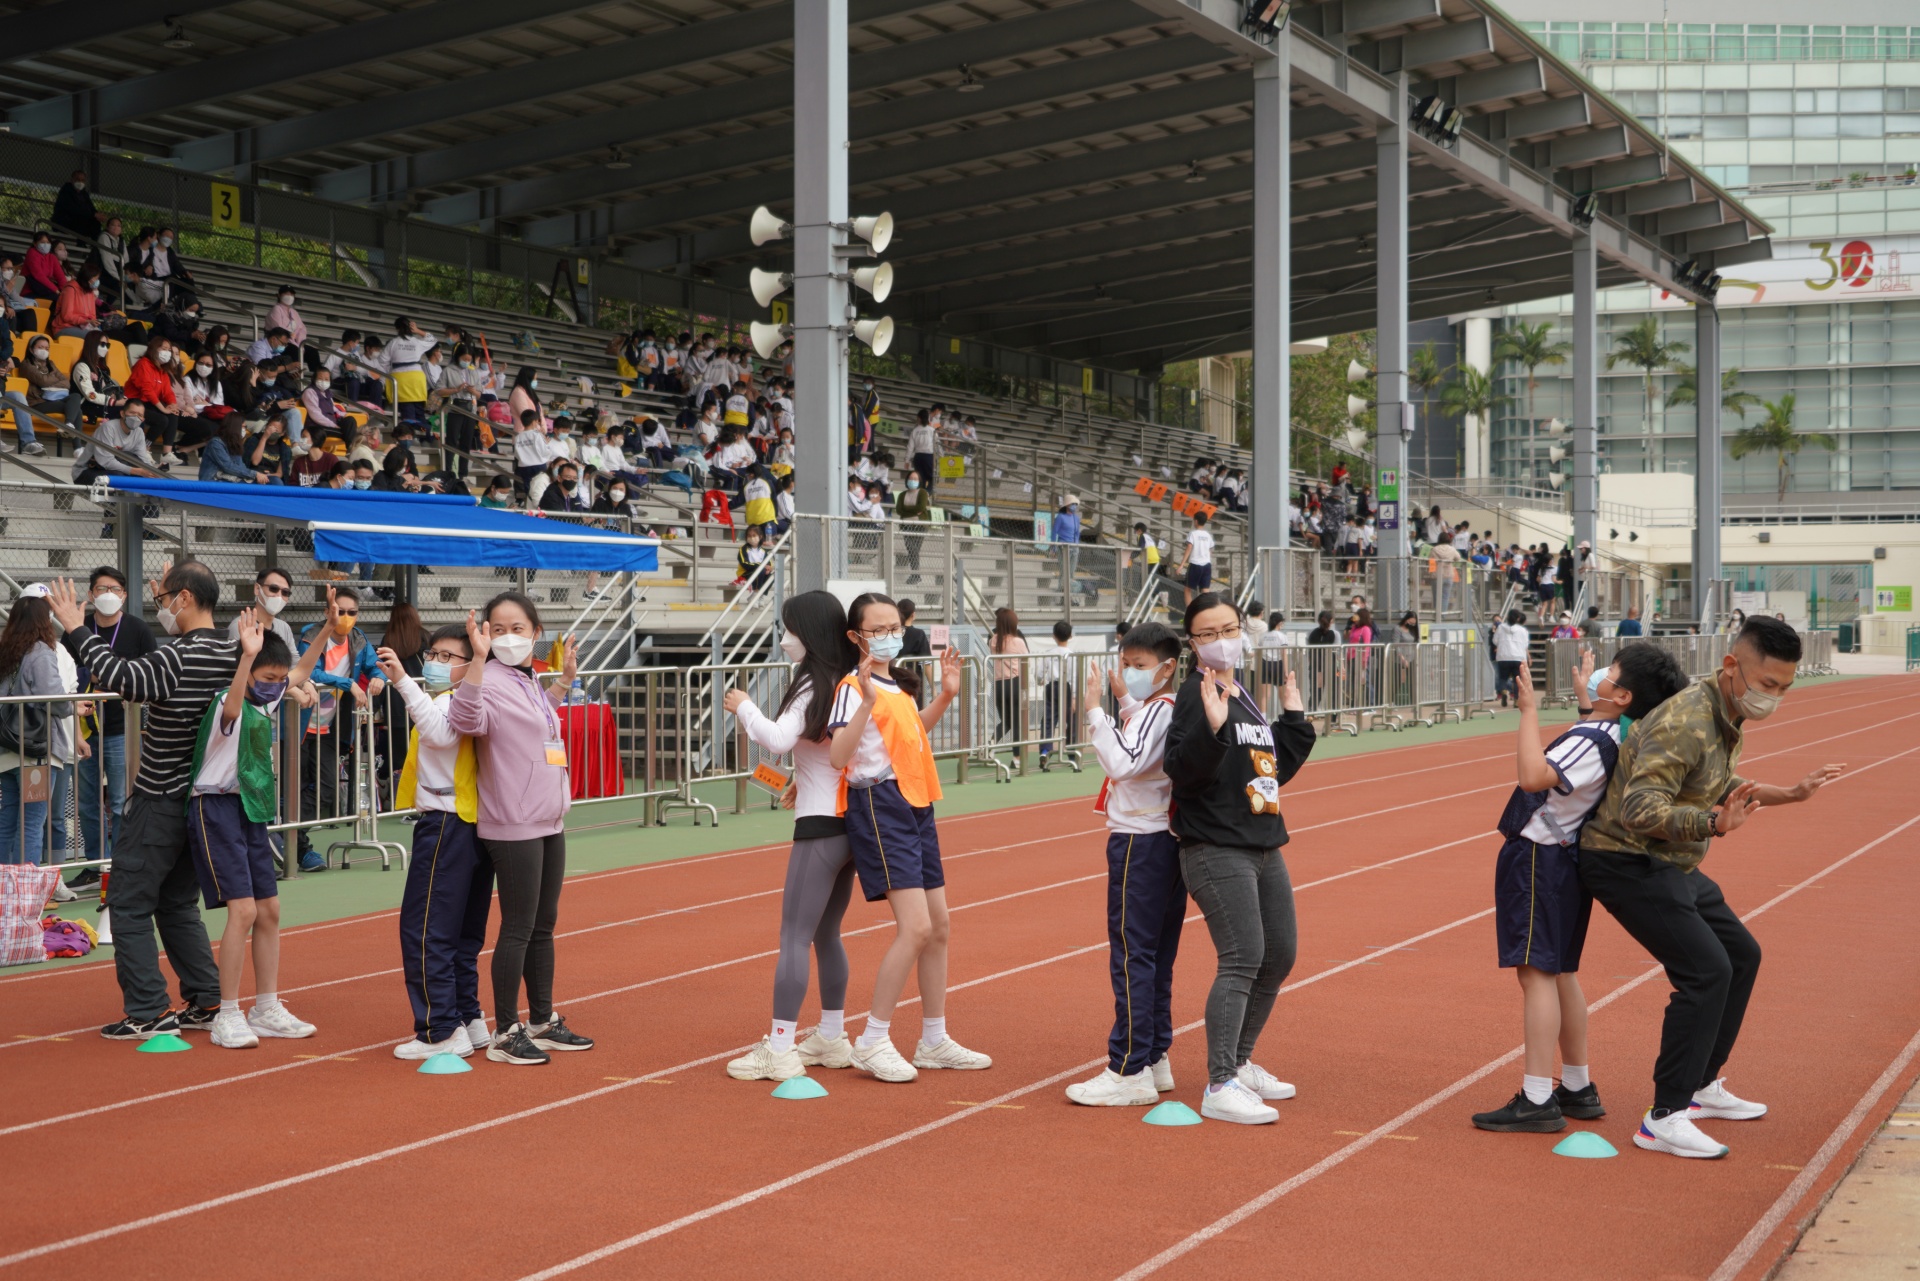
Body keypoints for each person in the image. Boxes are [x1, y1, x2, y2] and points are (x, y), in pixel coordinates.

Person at [1580, 616, 1844, 1159]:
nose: (1773, 698)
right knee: (1706, 972)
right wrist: (1710, 824)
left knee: (1741, 956)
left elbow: (1719, 785)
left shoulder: (1725, 714)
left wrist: (1792, 793)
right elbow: (1638, 810)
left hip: (1671, 861)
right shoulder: (1687, 720)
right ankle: (1663, 1118)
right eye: (1767, 684)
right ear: (1731, 667)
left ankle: (1701, 1085)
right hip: (1626, 859)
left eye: (1784, 688)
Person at [1469, 644, 1688, 1133]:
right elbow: (1594, 735)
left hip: (1538, 857)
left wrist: (1528, 711)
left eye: (1610, 673)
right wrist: (1587, 703)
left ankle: (1536, 1097)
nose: (1600, 675)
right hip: (1564, 857)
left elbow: (1533, 777)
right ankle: (1576, 1085)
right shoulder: (1617, 732)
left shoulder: (1591, 739)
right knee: (1561, 972)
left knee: (1536, 975)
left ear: (1623, 695)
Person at [47, 564, 235, 1039]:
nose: (161, 607)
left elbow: (121, 676)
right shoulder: (233, 651)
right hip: (201, 801)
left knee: (128, 904)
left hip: (159, 798)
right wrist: (169, 596)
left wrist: (74, 627)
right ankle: (207, 997)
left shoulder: (177, 657)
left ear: (186, 598)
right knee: (176, 903)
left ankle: (149, 1009)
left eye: (164, 599)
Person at [1162, 593, 1314, 1124]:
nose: (1222, 640)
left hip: (1263, 841)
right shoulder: (1195, 693)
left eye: (1229, 629)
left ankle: (1241, 1061)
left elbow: (1266, 771)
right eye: (1208, 633)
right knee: (1243, 956)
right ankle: (1220, 1082)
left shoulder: (1241, 692)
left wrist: (1292, 720)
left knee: (1280, 954)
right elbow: (1182, 771)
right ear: (1193, 643)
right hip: (1216, 846)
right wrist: (1210, 728)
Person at [830, 592, 981, 1081]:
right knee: (915, 928)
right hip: (880, 803)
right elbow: (838, 757)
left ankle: (933, 1039)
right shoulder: (852, 688)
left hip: (916, 802)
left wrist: (946, 696)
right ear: (856, 636)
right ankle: (872, 1039)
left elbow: (913, 734)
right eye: (877, 630)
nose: (889, 636)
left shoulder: (897, 685)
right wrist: (864, 702)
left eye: (894, 627)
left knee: (939, 927)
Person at [449, 591, 594, 1066]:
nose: (508, 637)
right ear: (485, 634)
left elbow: (537, 725)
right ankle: (505, 1030)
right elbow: (466, 719)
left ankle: (542, 1020)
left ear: (536, 634)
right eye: (498, 629)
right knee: (518, 926)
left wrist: (563, 683)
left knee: (543, 924)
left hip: (548, 816)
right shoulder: (488, 678)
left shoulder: (527, 678)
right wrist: (476, 660)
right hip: (512, 820)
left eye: (517, 629)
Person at [721, 592, 862, 1080]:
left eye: (791, 630)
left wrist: (744, 707)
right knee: (826, 933)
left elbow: (778, 739)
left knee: (795, 936)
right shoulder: (848, 681)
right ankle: (832, 1035)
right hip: (848, 823)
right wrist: (804, 777)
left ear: (812, 634)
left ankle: (780, 1048)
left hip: (820, 827)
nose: (784, 640)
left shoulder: (813, 682)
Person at [1066, 621, 1186, 1106]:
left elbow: (1124, 762)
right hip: (1163, 840)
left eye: (1140, 665)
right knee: (1155, 955)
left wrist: (1095, 710)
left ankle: (1129, 1067)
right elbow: (1143, 743)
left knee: (1134, 954)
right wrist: (1123, 702)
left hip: (1140, 841)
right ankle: (1154, 1056)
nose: (1130, 672)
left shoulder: (1160, 709)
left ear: (1167, 667)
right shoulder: (1163, 708)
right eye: (1126, 663)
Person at [190, 614, 324, 1048]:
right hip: (216, 806)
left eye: (279, 679)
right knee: (244, 911)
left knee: (269, 910)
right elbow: (232, 709)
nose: (277, 685)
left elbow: (302, 670)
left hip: (252, 807)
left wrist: (328, 629)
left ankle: (265, 1007)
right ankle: (227, 1014)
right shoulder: (226, 702)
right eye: (268, 678)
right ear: (247, 673)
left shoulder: (267, 697)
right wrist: (247, 657)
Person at [379, 624, 494, 1059]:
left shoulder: (454, 700)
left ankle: (441, 1028)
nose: (436, 663)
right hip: (471, 822)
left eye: (448, 657)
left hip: (447, 822)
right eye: (433, 654)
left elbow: (440, 733)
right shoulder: (477, 698)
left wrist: (402, 682)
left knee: (426, 930)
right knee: (462, 931)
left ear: (471, 662)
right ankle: (468, 1017)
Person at [64, 569, 157, 889]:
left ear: (124, 595)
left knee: (121, 801)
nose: (108, 594)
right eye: (101, 588)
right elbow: (63, 671)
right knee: (87, 803)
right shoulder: (77, 629)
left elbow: (151, 672)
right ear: (90, 595)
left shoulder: (138, 629)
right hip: (83, 731)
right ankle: (94, 865)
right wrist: (88, 676)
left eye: (114, 588)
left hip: (122, 731)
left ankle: (120, 865)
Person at [295, 585, 385, 872]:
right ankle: (296, 846)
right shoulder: (311, 636)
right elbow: (307, 671)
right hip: (299, 724)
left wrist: (379, 677)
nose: (345, 617)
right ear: (327, 612)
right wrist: (347, 683)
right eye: (339, 611)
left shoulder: (358, 639)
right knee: (295, 786)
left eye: (351, 612)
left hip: (330, 727)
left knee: (328, 788)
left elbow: (375, 666)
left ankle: (288, 836)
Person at [0, 596, 74, 866]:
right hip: (36, 751)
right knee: (32, 822)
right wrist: (73, 705)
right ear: (45, 621)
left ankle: (4, 884)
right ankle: (25, 885)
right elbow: (55, 699)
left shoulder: (5, 651)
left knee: (7, 819)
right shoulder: (40, 651)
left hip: (7, 749)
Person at [988, 607, 1027, 743]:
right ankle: (1017, 753)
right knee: (1017, 722)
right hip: (1014, 683)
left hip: (999, 685)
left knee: (1006, 721)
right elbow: (1026, 660)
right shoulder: (1017, 641)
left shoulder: (993, 641)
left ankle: (992, 742)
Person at [1493, 608, 1529, 709]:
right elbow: (1526, 644)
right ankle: (1516, 700)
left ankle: (1504, 691)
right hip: (1518, 657)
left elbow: (1495, 641)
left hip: (1503, 656)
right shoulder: (1522, 630)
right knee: (1517, 679)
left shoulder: (1500, 628)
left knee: (1503, 677)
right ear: (1518, 618)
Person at [52, 170, 102, 239]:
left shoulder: (84, 194)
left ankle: (94, 243)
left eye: (83, 180)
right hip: (65, 221)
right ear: (72, 180)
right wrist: (92, 214)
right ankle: (81, 242)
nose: (80, 182)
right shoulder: (66, 191)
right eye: (78, 179)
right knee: (82, 220)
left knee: (95, 223)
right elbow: (73, 209)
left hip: (78, 222)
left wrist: (97, 215)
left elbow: (91, 208)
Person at [1177, 511, 1214, 605]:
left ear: (1196, 521)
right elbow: (1210, 550)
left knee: (1187, 590)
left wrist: (1182, 564)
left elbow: (1189, 547)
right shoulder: (1208, 535)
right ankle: (1206, 611)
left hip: (1195, 564)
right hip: (1207, 565)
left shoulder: (1193, 534)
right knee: (1205, 591)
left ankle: (1190, 611)